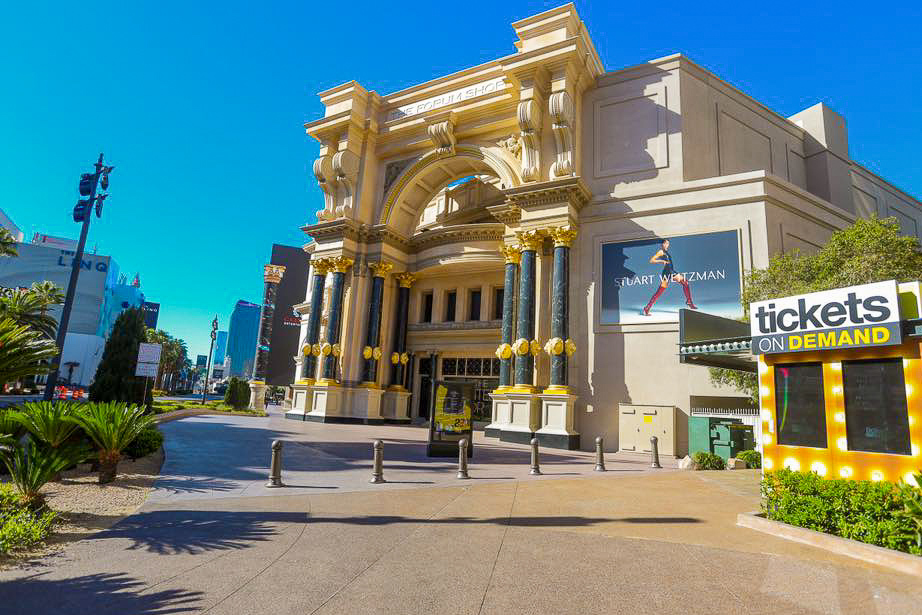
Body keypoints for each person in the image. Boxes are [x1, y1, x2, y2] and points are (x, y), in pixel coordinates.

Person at [640, 238, 697, 316]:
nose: (667, 245)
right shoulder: (661, 252)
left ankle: (689, 302)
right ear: (662, 244)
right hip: (667, 273)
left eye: (668, 244)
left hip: (671, 271)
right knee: (660, 292)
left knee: (685, 282)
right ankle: (647, 308)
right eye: (666, 243)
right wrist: (661, 261)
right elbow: (651, 260)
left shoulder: (666, 252)